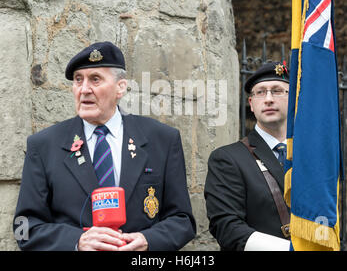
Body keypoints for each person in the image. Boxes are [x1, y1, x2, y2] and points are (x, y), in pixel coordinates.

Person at [13, 41, 196, 251]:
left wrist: (149, 240)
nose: (84, 90)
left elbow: (183, 221)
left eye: (95, 79)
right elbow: (23, 228)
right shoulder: (44, 145)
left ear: (120, 87)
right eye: (78, 80)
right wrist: (76, 242)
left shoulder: (162, 139)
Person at [204, 61, 291, 251]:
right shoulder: (228, 158)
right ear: (251, 104)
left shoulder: (311, 157)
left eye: (277, 91)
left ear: (293, 99)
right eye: (260, 92)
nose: (268, 99)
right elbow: (227, 228)